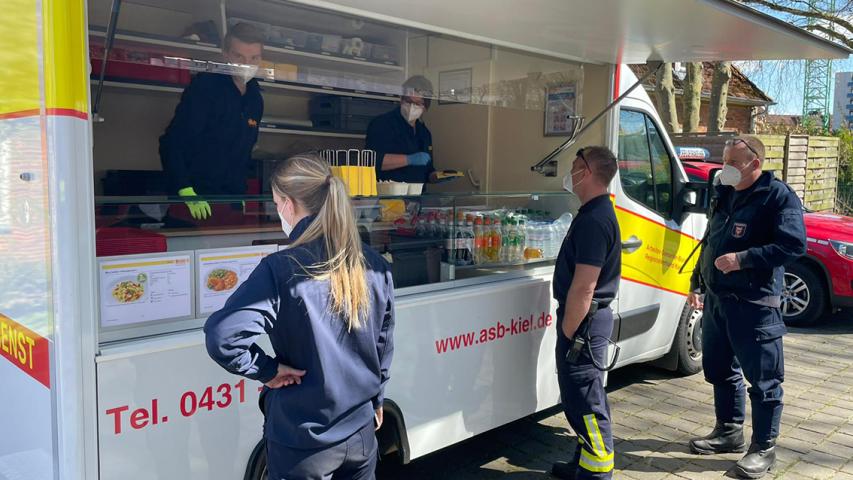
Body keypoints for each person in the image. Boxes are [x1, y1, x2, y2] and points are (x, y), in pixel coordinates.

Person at [204, 153, 395, 479]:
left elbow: (222, 336)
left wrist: (267, 370)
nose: (278, 211)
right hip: (361, 435)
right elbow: (383, 344)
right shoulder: (374, 264)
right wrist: (377, 400)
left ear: (289, 205)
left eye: (277, 203)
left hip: (303, 442)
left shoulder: (280, 268)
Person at [688, 135, 806, 479]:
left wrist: (743, 259)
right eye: (724, 160)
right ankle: (728, 431)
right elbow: (710, 238)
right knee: (719, 369)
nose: (725, 167)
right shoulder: (725, 191)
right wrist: (697, 280)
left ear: (755, 163)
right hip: (717, 299)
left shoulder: (777, 196)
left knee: (764, 381)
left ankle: (764, 449)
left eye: (733, 162)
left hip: (755, 304)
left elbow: (793, 245)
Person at [551, 146, 621, 480]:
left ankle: (597, 473)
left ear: (588, 173)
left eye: (576, 166)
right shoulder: (594, 212)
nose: (571, 172)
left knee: (587, 403)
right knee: (581, 399)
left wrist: (568, 332)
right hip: (587, 322)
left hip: (583, 325)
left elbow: (584, 287)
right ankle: (584, 463)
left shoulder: (594, 220)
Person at [159, 22, 265, 220]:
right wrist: (184, 189)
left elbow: (244, 152)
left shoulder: (255, 98)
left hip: (231, 200)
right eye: (239, 56)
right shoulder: (205, 88)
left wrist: (240, 194)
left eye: (254, 58)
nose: (246, 63)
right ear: (226, 54)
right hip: (195, 199)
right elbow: (171, 143)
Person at [365, 75, 440, 185]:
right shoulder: (382, 124)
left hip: (417, 193)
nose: (412, 107)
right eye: (408, 101)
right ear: (401, 100)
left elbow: (427, 170)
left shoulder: (424, 133)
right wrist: (409, 159)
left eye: (418, 103)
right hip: (388, 192)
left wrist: (436, 176)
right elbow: (371, 161)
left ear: (425, 107)